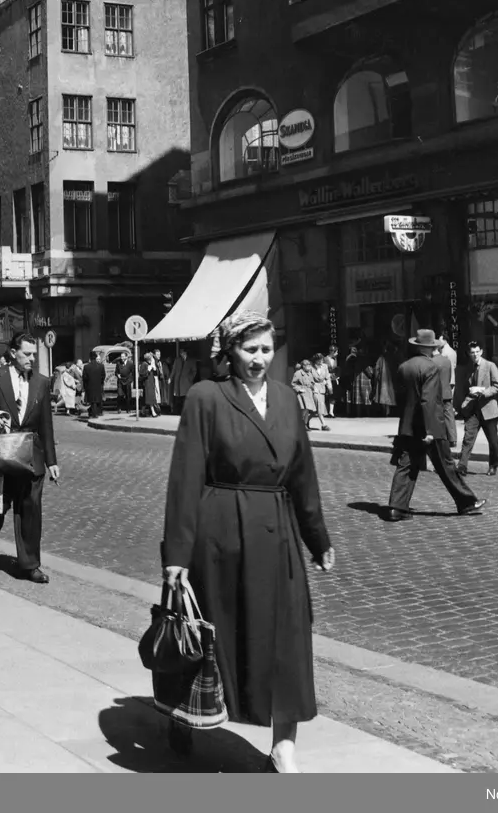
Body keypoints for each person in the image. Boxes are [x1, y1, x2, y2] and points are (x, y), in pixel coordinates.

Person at [162, 311, 334, 772]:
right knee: (208, 636)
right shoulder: (205, 398)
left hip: (278, 538)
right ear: (229, 352)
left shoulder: (286, 398)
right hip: (220, 537)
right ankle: (184, 712)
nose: (259, 359)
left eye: (266, 348)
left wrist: (316, 538)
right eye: (249, 349)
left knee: (288, 638)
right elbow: (185, 480)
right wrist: (176, 554)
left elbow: (303, 475)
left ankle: (284, 747)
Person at [0, 332, 60, 583]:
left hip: (31, 457)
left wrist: (52, 461)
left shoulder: (42, 382)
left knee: (31, 511)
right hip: (2, 455)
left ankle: (29, 564)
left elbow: (46, 423)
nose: (32, 358)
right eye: (27, 354)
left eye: (34, 354)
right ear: (13, 353)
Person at [384, 329, 486, 522]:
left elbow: (400, 397)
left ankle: (396, 508)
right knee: (446, 465)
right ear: (427, 348)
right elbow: (428, 401)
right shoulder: (430, 367)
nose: (433, 351)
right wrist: (430, 430)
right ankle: (467, 503)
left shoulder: (403, 367)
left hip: (408, 425)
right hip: (429, 425)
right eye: (432, 348)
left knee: (406, 465)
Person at [456, 342, 498, 477]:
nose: (475, 355)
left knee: (493, 440)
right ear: (469, 354)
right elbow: (464, 387)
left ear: (481, 352)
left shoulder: (490, 366)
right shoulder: (468, 368)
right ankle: (462, 465)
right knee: (468, 438)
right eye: (472, 352)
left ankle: (493, 465)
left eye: (477, 352)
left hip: (488, 408)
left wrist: (485, 392)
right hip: (473, 409)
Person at [435, 334, 459, 448]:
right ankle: (452, 437)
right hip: (449, 381)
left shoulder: (445, 353)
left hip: (445, 382)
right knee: (449, 411)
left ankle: (448, 436)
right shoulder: (452, 351)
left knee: (447, 412)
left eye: (440, 340)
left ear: (444, 340)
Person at [169, 346, 198, 420]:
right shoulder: (177, 360)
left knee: (185, 397)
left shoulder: (191, 360)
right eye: (180, 352)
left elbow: (194, 371)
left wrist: (190, 378)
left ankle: (186, 412)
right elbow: (174, 370)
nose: (181, 353)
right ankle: (178, 412)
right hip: (178, 382)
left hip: (186, 382)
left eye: (182, 352)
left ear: (185, 352)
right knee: (178, 397)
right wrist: (170, 378)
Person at [81, 350, 106, 419]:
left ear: (90, 358)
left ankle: (94, 414)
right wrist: (100, 383)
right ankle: (95, 413)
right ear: (95, 357)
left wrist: (86, 386)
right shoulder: (101, 366)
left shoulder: (86, 367)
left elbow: (84, 378)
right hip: (98, 386)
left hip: (90, 386)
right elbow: (103, 376)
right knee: (97, 400)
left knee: (92, 401)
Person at [310, 353, 332, 430]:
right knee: (319, 406)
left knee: (315, 409)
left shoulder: (325, 366)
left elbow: (327, 377)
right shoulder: (310, 368)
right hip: (314, 389)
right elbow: (309, 379)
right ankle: (324, 425)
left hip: (322, 389)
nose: (321, 362)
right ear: (315, 361)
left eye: (321, 360)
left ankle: (304, 421)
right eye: (319, 361)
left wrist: (329, 387)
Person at [140, 350, 162, 419]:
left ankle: (144, 412)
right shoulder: (144, 364)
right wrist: (148, 370)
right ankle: (153, 412)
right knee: (150, 399)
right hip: (147, 383)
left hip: (152, 383)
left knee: (150, 398)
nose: (153, 360)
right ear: (148, 359)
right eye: (151, 359)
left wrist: (155, 369)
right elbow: (142, 374)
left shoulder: (151, 364)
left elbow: (157, 373)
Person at [115, 350, 135, 415]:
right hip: (120, 381)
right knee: (120, 395)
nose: (122, 358)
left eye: (123, 356)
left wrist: (131, 380)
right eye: (121, 356)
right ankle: (119, 408)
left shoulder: (130, 363)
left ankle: (128, 409)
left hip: (127, 381)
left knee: (128, 396)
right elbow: (116, 372)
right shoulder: (118, 363)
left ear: (126, 357)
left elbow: (133, 372)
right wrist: (117, 374)